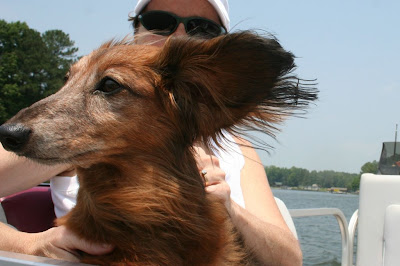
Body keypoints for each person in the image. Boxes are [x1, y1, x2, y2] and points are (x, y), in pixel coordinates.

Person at [0, 0, 302, 264]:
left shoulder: (238, 149)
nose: (178, 36)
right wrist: (29, 244)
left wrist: (228, 206)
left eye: (202, 28)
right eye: (160, 22)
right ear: (136, 30)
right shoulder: (68, 139)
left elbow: (288, 260)